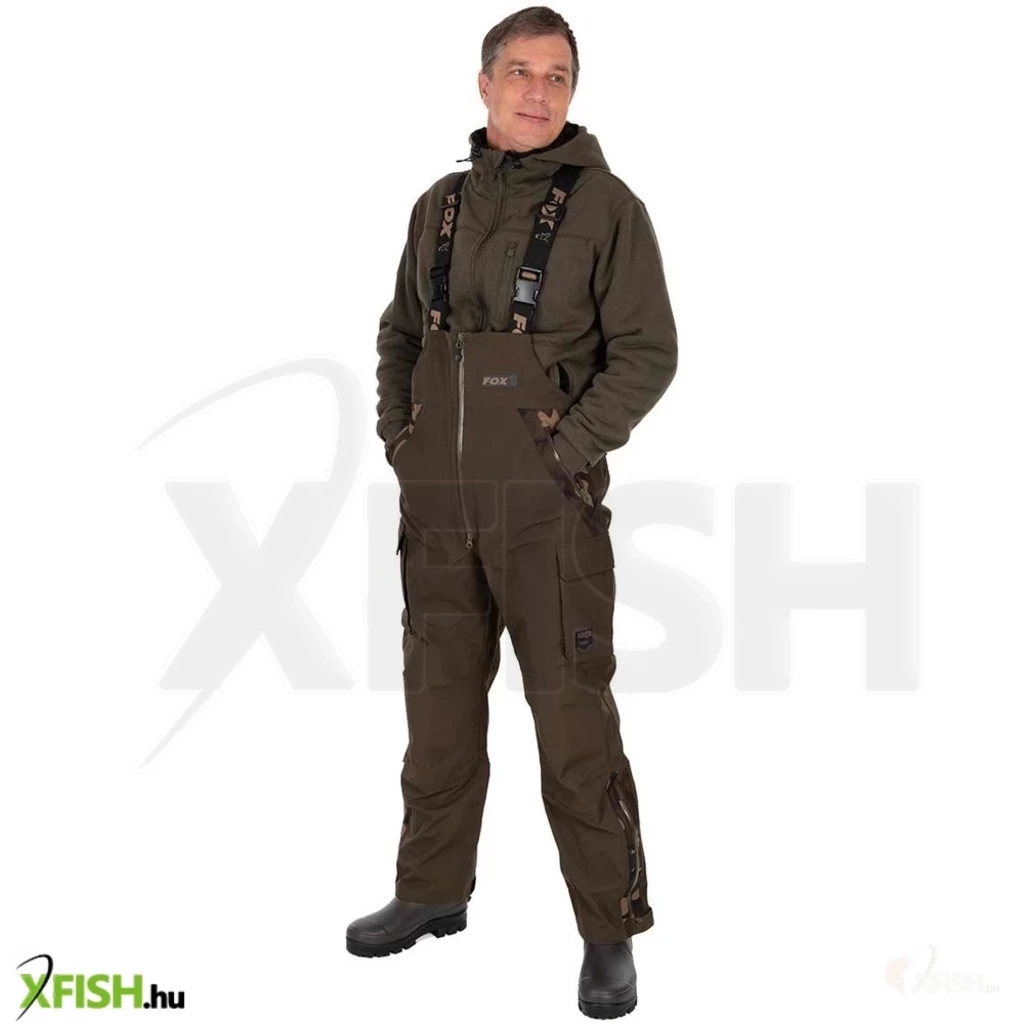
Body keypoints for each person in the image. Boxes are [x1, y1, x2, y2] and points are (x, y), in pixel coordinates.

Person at [347, 7, 678, 1018]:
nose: (539, 91)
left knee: (573, 727)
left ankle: (609, 931)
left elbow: (648, 355)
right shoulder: (437, 206)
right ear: (484, 82)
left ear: (573, 92)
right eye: (521, 71)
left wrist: (563, 453)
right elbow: (400, 334)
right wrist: (400, 440)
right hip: (437, 511)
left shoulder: (609, 208)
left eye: (558, 75)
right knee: (437, 715)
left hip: (547, 517)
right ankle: (431, 889)